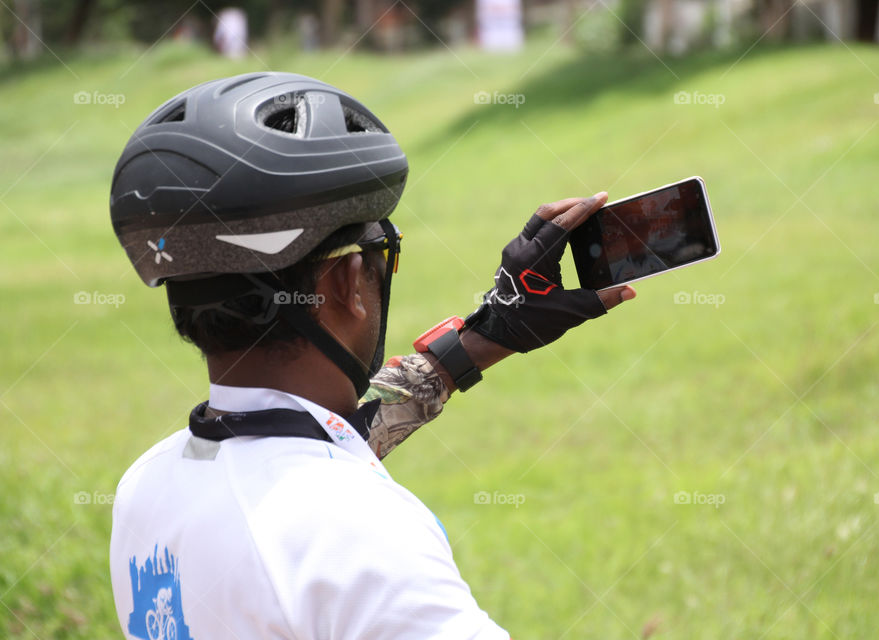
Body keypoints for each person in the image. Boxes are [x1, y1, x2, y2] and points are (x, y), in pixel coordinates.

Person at [108, 72, 635, 640]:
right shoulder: (362, 535)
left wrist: (488, 334)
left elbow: (306, 446)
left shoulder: (147, 485)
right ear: (346, 282)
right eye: (387, 253)